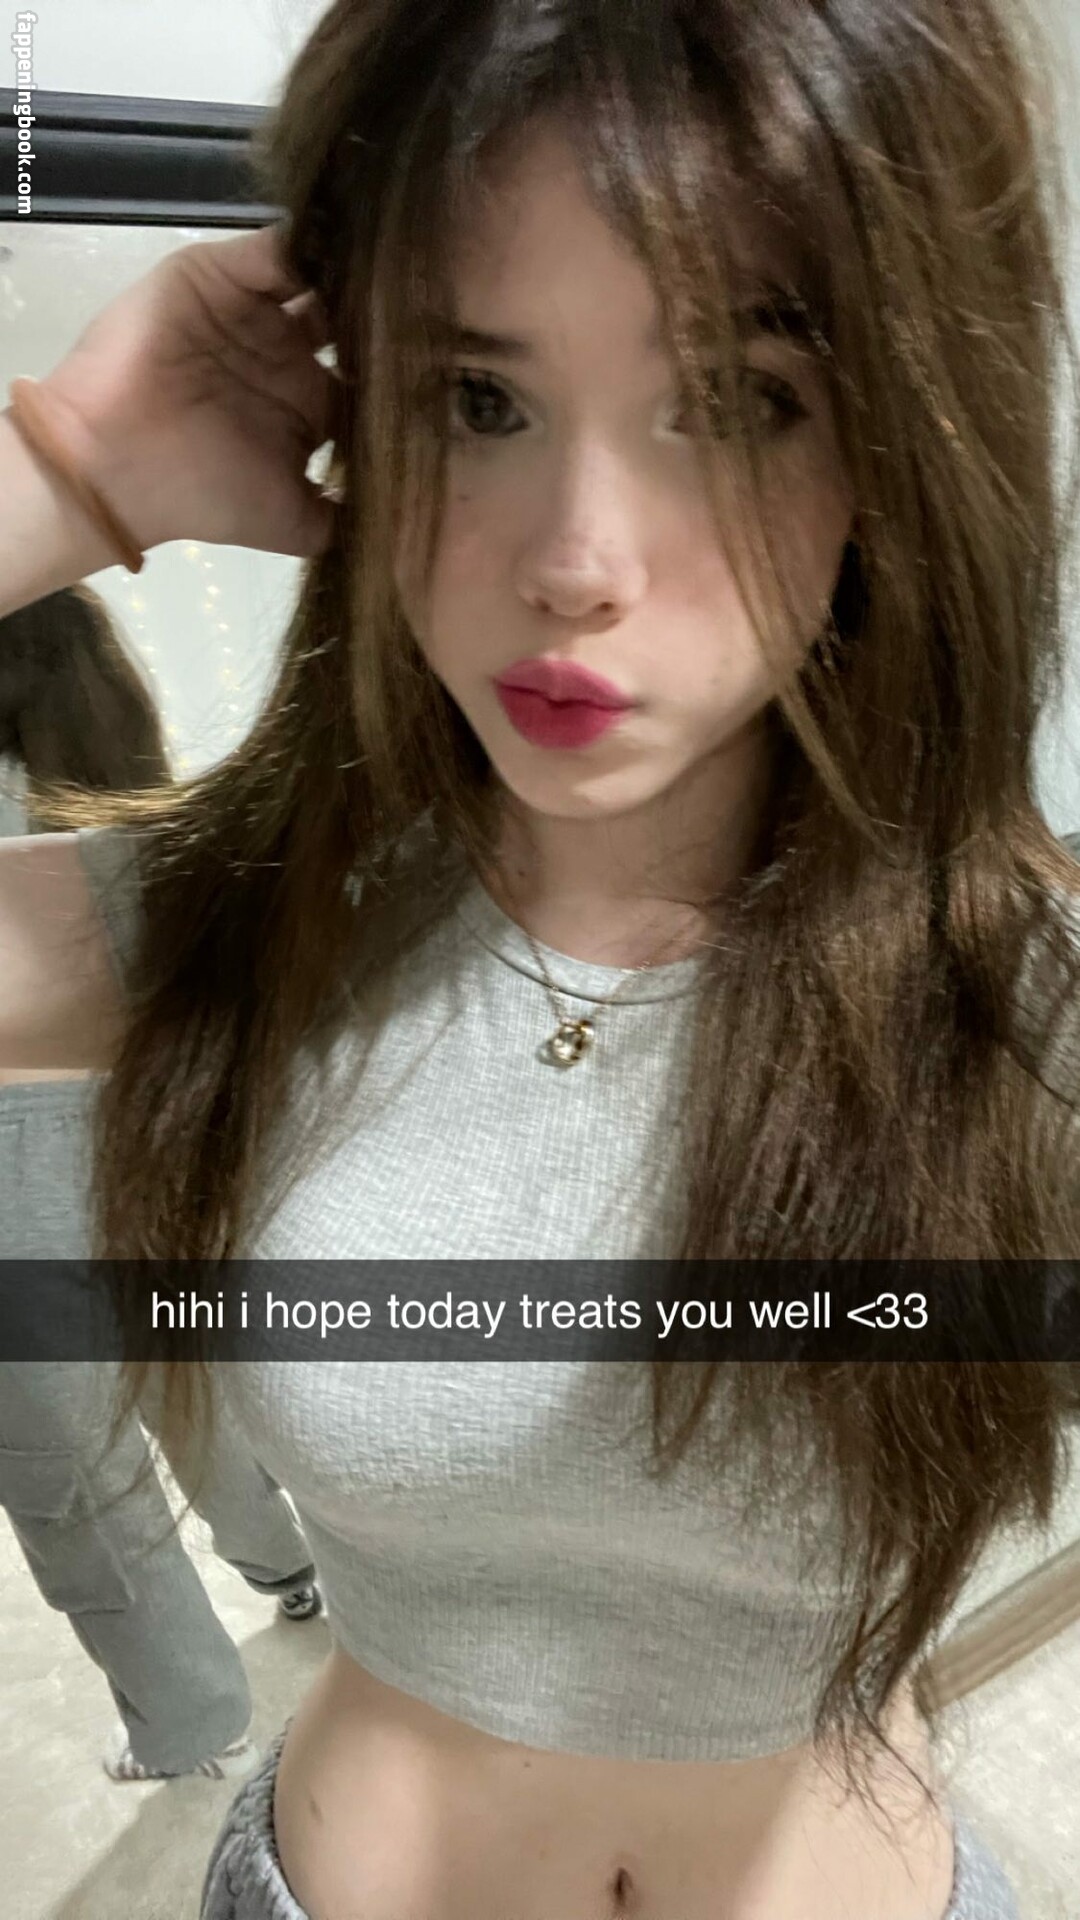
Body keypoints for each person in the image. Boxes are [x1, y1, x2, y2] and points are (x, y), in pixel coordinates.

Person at [0, 0, 1079, 1914]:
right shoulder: (254, 926)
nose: (577, 561)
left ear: (903, 443)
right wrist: (65, 479)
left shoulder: (1026, 1000)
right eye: (480, 402)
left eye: (738, 401)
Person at [0, 588, 322, 1783]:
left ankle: (188, 1718)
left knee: (80, 1488)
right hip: (149, 1156)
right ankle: (284, 1564)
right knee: (194, 1390)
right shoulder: (142, 817)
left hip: (17, 1197)